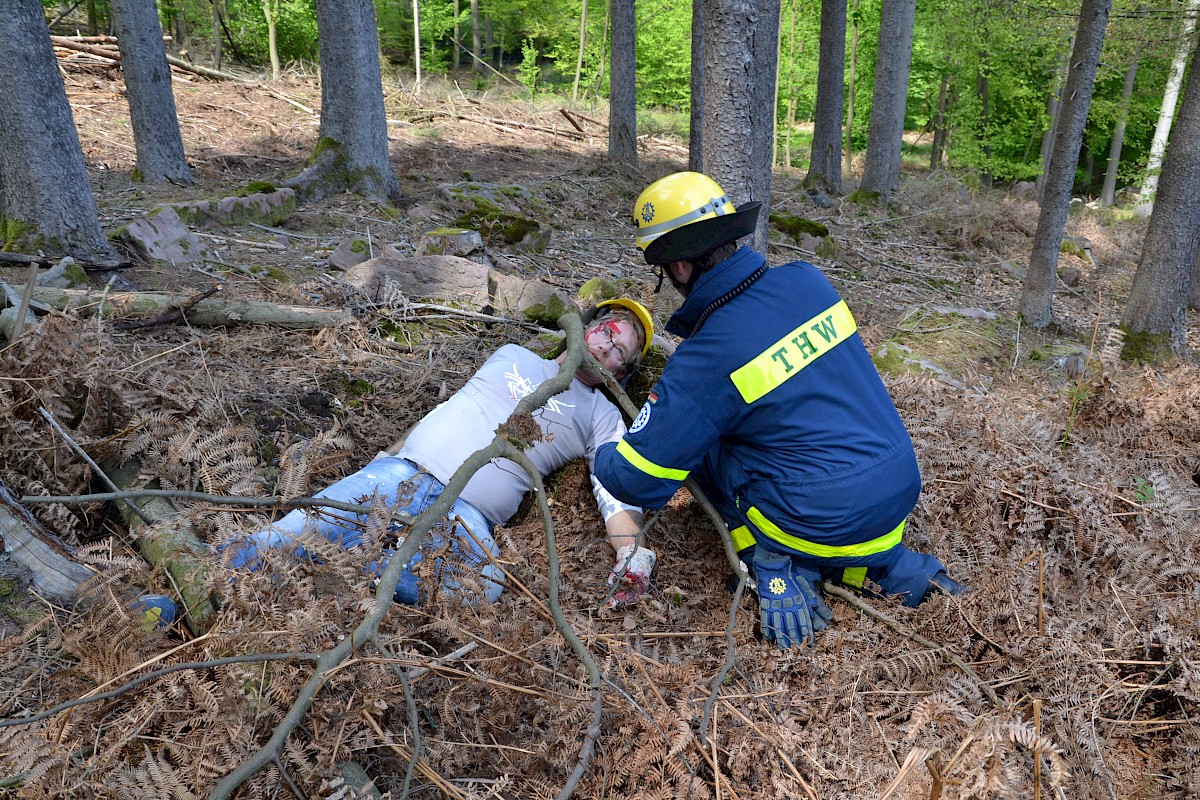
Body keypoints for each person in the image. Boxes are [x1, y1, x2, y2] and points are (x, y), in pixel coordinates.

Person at [593, 172, 964, 651]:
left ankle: (772, 560)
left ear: (680, 268)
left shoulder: (707, 356)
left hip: (819, 509)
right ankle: (880, 565)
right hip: (897, 486)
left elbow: (636, 479)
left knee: (701, 448)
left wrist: (603, 448)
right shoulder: (808, 281)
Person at [136, 299, 660, 628]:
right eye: (608, 330)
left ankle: (335, 579)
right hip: (402, 473)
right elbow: (444, 410)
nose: (608, 345)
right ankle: (180, 599)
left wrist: (630, 554)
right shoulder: (511, 356)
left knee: (481, 591)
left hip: (470, 516)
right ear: (586, 328)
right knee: (296, 529)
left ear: (623, 372)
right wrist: (383, 460)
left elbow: (613, 491)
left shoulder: (602, 415)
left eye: (621, 350)